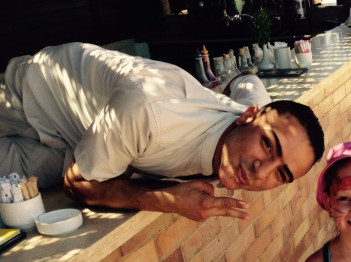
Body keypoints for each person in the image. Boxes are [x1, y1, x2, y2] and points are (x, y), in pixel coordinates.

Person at [0, 42, 324, 222]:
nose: (260, 171)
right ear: (248, 117)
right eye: (267, 145)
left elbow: (247, 79)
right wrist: (167, 200)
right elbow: (77, 183)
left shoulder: (254, 112)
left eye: (281, 173)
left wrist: (217, 93)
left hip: (75, 142)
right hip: (29, 96)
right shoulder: (151, 111)